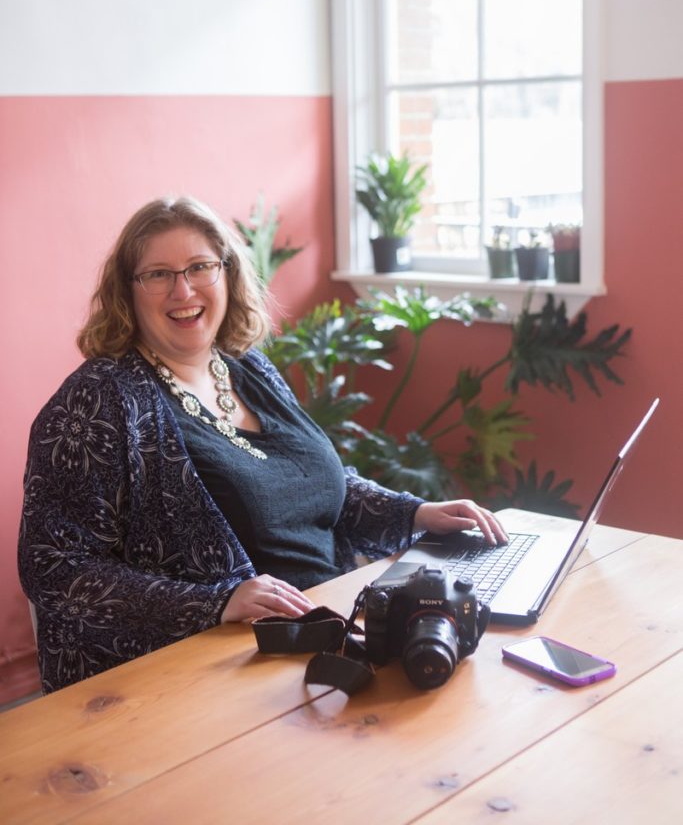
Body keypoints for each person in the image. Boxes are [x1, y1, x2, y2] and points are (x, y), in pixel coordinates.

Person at [18, 196, 507, 692]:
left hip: (331, 626)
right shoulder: (98, 401)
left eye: (199, 267)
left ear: (227, 274)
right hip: (204, 669)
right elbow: (54, 569)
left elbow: (311, 485)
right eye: (158, 274)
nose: (183, 289)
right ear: (129, 291)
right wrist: (216, 603)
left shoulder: (247, 367)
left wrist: (416, 514)